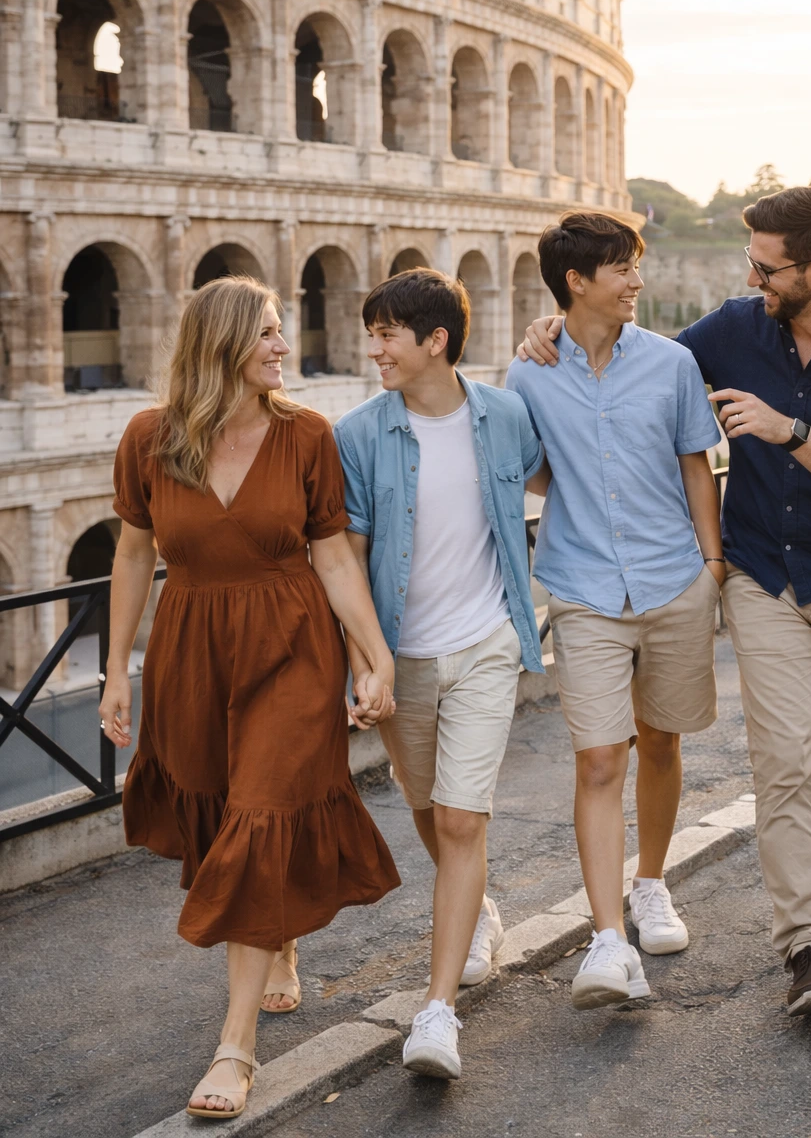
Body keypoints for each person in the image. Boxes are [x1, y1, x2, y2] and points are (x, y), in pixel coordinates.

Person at [519, 186, 811, 1016]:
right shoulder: (735, 330)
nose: (751, 279)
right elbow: (638, 363)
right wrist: (556, 322)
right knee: (786, 761)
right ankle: (809, 947)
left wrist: (790, 432)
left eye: (765, 268)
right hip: (760, 578)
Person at [99, 276, 400, 1119]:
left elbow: (332, 556)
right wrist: (116, 667)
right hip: (193, 651)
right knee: (228, 808)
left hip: (293, 648)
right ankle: (278, 938)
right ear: (224, 342)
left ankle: (235, 1049)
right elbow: (132, 555)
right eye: (268, 332)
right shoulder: (150, 438)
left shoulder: (307, 435)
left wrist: (374, 658)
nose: (283, 346)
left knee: (265, 810)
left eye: (281, 330)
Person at [506, 212, 725, 1011]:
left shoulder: (672, 363)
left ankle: (651, 883)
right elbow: (532, 471)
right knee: (599, 759)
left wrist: (712, 565)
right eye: (623, 268)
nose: (637, 281)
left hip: (672, 579)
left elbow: (696, 465)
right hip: (584, 587)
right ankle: (606, 938)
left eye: (636, 265)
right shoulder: (528, 374)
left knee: (661, 739)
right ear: (576, 282)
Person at [334, 269, 548, 1080]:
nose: (375, 349)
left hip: (487, 642)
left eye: (388, 334)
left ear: (436, 341)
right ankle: (479, 908)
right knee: (427, 806)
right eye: (373, 333)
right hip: (403, 655)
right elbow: (348, 558)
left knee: (461, 821)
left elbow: (551, 481)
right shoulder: (359, 434)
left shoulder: (504, 415)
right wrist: (367, 663)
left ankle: (436, 1013)